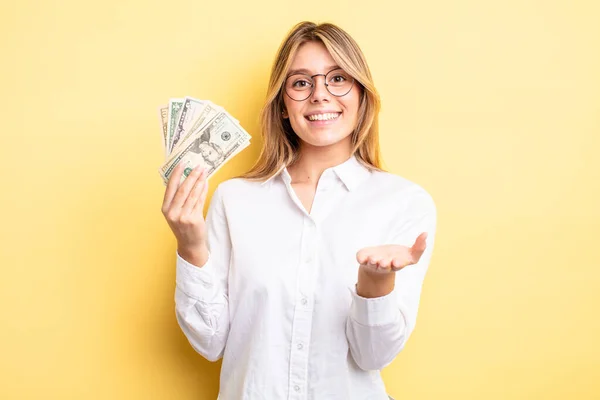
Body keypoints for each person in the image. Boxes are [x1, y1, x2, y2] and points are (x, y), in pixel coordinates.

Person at [161, 21, 437, 400]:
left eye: (338, 78)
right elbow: (210, 343)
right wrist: (190, 245)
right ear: (283, 107)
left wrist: (375, 285)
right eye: (301, 83)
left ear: (361, 97)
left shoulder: (403, 202)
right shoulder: (234, 199)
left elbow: (373, 356)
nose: (320, 95)